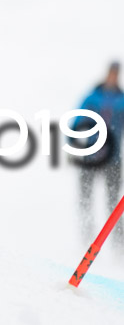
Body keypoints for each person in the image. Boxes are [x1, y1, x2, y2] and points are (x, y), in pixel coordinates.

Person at [74, 61, 124, 243]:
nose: (113, 77)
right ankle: (86, 239)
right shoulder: (93, 98)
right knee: (85, 200)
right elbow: (77, 120)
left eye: (116, 74)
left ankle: (118, 244)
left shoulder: (121, 100)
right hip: (90, 156)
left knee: (114, 203)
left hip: (114, 159)